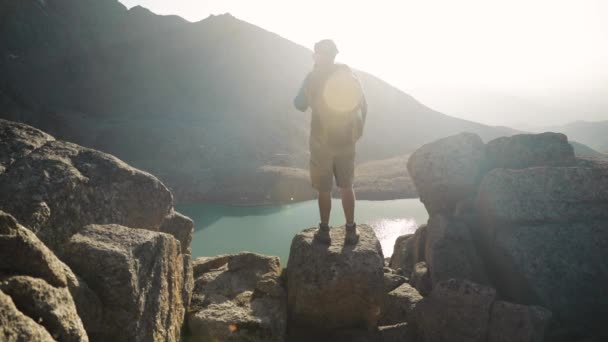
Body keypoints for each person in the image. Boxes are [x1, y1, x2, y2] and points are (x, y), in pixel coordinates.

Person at [293, 39, 368, 245]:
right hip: (346, 142)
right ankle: (351, 230)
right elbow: (363, 105)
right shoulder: (349, 75)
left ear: (316, 55)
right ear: (335, 55)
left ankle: (324, 231)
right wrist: (356, 134)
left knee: (324, 189)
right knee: (346, 186)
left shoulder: (313, 77)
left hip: (321, 142)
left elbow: (299, 104)